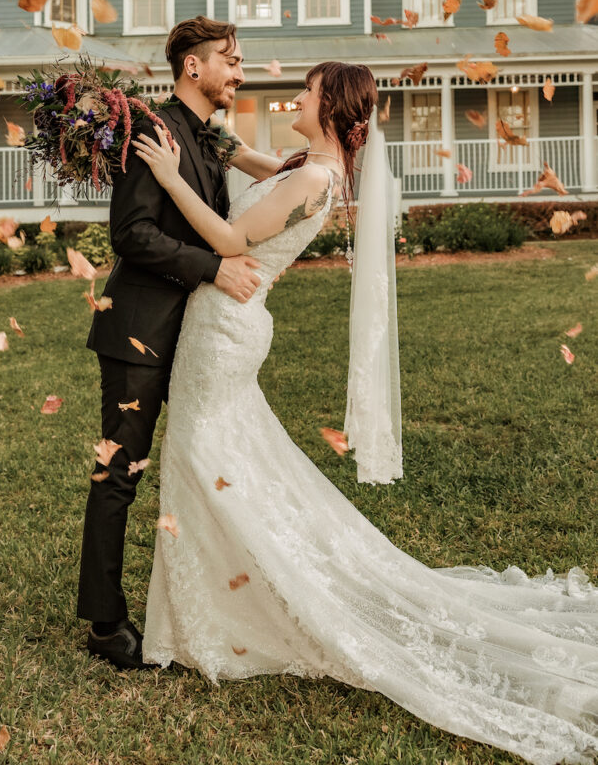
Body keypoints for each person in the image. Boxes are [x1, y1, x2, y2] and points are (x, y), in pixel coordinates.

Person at [133, 61, 598, 765]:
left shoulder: (315, 178)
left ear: (329, 108)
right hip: (225, 326)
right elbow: (247, 160)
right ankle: (219, 603)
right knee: (229, 462)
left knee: (203, 457)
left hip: (225, 329)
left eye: (308, 90)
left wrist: (168, 179)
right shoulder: (308, 165)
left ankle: (227, 612)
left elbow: (230, 242)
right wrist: (197, 137)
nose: (296, 96)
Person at [77, 15, 278, 670]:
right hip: (138, 334)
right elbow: (131, 234)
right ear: (194, 65)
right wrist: (212, 268)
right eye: (233, 60)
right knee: (119, 475)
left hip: (194, 341)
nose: (240, 73)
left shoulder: (209, 137)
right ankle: (106, 624)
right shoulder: (150, 130)